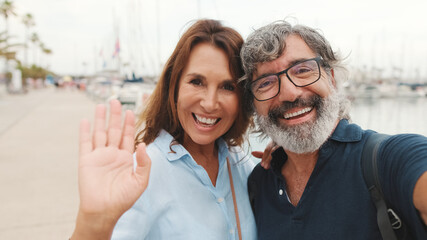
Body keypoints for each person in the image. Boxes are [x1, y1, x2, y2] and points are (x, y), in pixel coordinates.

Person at [70, 19, 257, 240]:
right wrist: (92, 224)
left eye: (228, 87)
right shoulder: (142, 173)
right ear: (174, 86)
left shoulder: (242, 164)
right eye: (197, 82)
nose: (209, 103)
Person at [240, 20, 427, 239]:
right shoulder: (260, 183)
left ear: (332, 78)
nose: (290, 93)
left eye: (302, 70)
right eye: (266, 83)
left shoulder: (389, 160)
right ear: (254, 105)